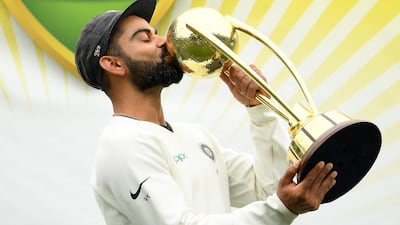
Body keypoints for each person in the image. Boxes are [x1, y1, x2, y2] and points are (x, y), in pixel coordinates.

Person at [75, 0, 337, 224]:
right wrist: (281, 209)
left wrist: (258, 110)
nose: (164, 41)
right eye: (145, 38)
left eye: (155, 32)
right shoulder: (121, 144)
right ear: (114, 64)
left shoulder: (195, 136)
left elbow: (266, 188)